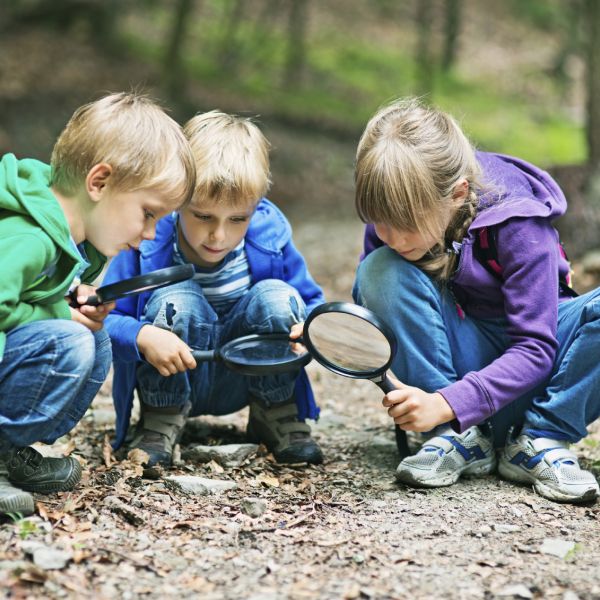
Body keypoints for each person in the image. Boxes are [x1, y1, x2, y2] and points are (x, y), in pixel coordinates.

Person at [352, 98, 600, 504]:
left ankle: (541, 439)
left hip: (541, 377)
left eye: (407, 225)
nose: (392, 237)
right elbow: (382, 310)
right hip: (454, 378)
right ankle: (455, 439)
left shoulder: (519, 223)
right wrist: (336, 333)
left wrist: (450, 402)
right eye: (380, 221)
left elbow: (536, 348)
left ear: (457, 193)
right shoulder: (391, 229)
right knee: (380, 270)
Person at [0, 92, 196, 516]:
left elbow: (30, 298)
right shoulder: (29, 236)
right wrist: (59, 314)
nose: (150, 234)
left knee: (95, 340)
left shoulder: (68, 240)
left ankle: (9, 452)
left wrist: (72, 300)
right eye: (148, 213)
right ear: (99, 182)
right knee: (69, 341)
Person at [104, 110, 325, 468]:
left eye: (238, 219)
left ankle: (275, 411)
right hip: (174, 372)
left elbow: (312, 302)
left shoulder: (269, 239)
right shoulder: (148, 242)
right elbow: (107, 322)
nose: (219, 236)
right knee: (178, 297)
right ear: (177, 201)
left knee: (277, 296)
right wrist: (143, 335)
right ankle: (161, 418)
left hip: (246, 374)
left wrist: (311, 328)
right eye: (203, 216)